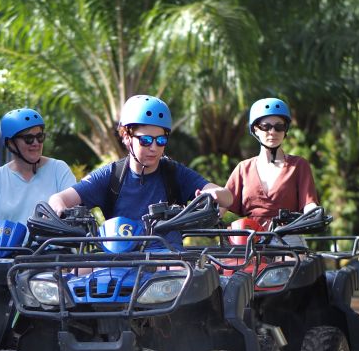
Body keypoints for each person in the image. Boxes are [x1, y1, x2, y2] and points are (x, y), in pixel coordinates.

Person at [48, 95, 232, 245]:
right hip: (118, 260)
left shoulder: (174, 172)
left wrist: (215, 194)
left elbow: (227, 197)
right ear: (127, 137)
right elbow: (59, 199)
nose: (154, 148)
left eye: (160, 141)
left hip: (167, 266)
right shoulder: (111, 175)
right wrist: (61, 211)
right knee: (78, 273)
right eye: (145, 140)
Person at [223, 97, 319, 230]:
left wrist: (315, 214)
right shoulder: (243, 169)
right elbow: (221, 206)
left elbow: (309, 204)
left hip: (287, 238)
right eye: (266, 126)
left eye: (279, 127)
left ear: (285, 130)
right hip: (250, 240)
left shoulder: (298, 165)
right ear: (255, 129)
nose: (272, 132)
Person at [0, 108, 76, 225]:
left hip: (49, 243)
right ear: (11, 143)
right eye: (28, 138)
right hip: (7, 244)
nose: (36, 143)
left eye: (40, 137)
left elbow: (75, 213)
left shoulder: (59, 169)